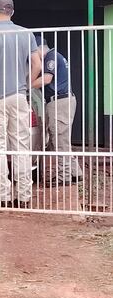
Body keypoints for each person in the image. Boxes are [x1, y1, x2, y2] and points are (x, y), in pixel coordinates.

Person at [0, 0, 42, 208]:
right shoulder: (26, 33)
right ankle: (24, 197)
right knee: (21, 145)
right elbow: (37, 64)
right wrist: (26, 84)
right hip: (19, 96)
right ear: (11, 12)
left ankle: (1, 196)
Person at [32, 34, 83, 185]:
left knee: (60, 141)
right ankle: (75, 172)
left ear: (38, 48)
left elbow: (47, 79)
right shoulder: (54, 56)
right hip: (59, 101)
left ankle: (63, 177)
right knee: (60, 140)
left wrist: (26, 85)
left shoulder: (51, 57)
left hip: (60, 102)